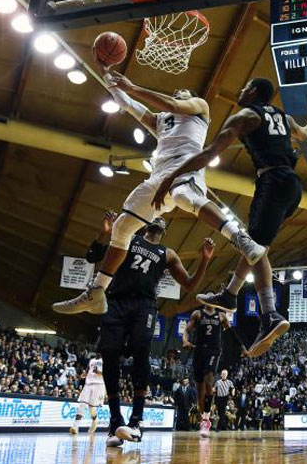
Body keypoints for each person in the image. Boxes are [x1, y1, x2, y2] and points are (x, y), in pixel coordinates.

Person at [51, 67, 267, 316]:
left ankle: (242, 240)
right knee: (122, 228)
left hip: (186, 168)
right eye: (176, 91)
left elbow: (173, 104)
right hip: (158, 177)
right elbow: (129, 105)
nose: (178, 92)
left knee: (183, 196)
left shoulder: (199, 107)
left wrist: (133, 87)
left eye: (182, 90)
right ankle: (97, 292)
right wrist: (109, 77)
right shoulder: (162, 120)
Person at [151, 78, 307, 357]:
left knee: (255, 249)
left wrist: (171, 176)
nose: (240, 91)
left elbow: (208, 153)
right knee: (255, 246)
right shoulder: (283, 116)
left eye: (244, 88)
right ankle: (230, 294)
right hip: (293, 187)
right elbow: (302, 135)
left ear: (252, 91)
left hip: (272, 182)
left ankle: (270, 315)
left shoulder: (246, 116)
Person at [59, 213, 214, 447]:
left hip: (145, 306)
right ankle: (114, 424)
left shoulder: (168, 253)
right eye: (156, 215)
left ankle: (136, 421)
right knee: (110, 355)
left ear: (166, 229)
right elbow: (93, 255)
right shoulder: (129, 238)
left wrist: (205, 259)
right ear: (146, 223)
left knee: (142, 352)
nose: (160, 217)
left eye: (164, 217)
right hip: (117, 302)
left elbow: (190, 284)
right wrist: (106, 232)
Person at [182, 305, 240, 437]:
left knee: (209, 381)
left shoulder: (221, 315)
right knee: (200, 393)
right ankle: (204, 417)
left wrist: (241, 346)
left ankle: (206, 420)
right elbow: (186, 330)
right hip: (199, 350)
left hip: (214, 351)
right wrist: (185, 340)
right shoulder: (197, 313)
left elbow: (231, 332)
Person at [70, 353, 106, 435]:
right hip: (88, 384)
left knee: (91, 408)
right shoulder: (92, 360)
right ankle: (75, 427)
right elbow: (87, 370)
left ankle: (94, 422)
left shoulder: (106, 361)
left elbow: (107, 374)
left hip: (99, 385)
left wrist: (98, 372)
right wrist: (83, 375)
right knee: (82, 404)